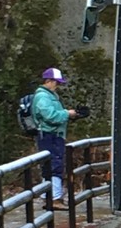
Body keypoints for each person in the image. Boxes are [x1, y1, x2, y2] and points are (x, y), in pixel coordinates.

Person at [31, 67, 83, 203]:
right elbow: (51, 116)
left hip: (51, 134)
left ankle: (47, 195)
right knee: (54, 165)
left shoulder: (48, 96)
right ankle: (54, 197)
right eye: (57, 82)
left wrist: (71, 115)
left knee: (49, 164)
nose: (58, 85)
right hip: (50, 135)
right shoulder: (43, 97)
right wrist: (67, 113)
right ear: (48, 81)